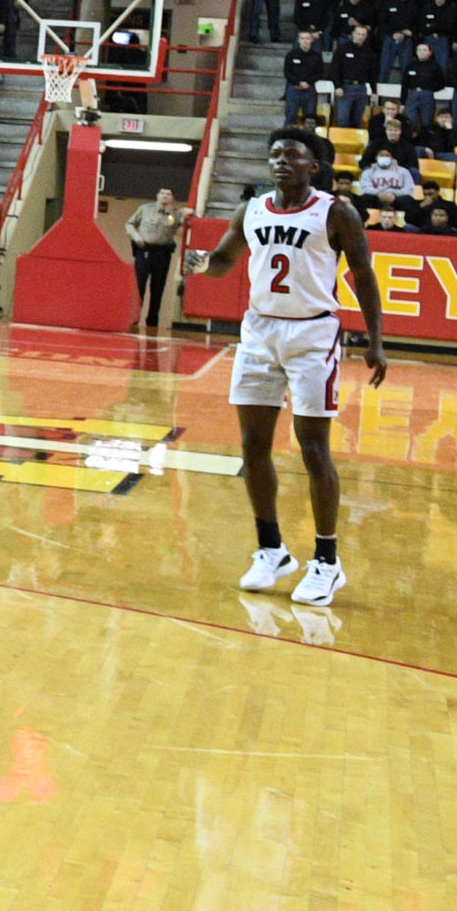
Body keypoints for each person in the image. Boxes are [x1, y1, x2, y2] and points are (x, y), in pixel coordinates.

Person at [187, 129, 390, 608]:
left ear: (313, 166)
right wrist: (199, 263)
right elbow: (223, 262)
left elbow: (363, 275)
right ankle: (271, 549)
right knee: (252, 445)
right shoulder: (251, 210)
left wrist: (376, 342)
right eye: (275, 153)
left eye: (292, 155)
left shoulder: (336, 212)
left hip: (312, 334)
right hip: (259, 332)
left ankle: (326, 560)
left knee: (313, 448)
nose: (281, 161)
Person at [128, 189, 185, 328]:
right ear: (157, 196)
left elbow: (186, 225)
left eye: (168, 194)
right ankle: (134, 318)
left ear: (172, 198)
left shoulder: (175, 214)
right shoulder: (145, 209)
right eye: (162, 193)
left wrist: (188, 213)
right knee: (138, 286)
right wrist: (136, 237)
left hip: (162, 253)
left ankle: (152, 322)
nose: (165, 196)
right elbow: (129, 224)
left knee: (158, 288)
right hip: (145, 251)